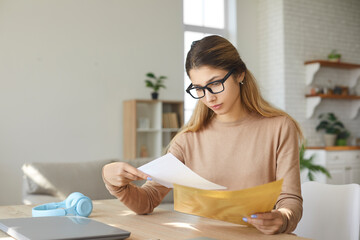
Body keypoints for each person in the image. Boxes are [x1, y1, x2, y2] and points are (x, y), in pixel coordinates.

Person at [102, 35, 303, 235]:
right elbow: (147, 200)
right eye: (198, 88)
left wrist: (283, 218)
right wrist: (115, 184)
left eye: (215, 84)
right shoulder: (188, 140)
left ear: (240, 74)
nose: (208, 97)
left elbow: (290, 200)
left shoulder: (279, 128)